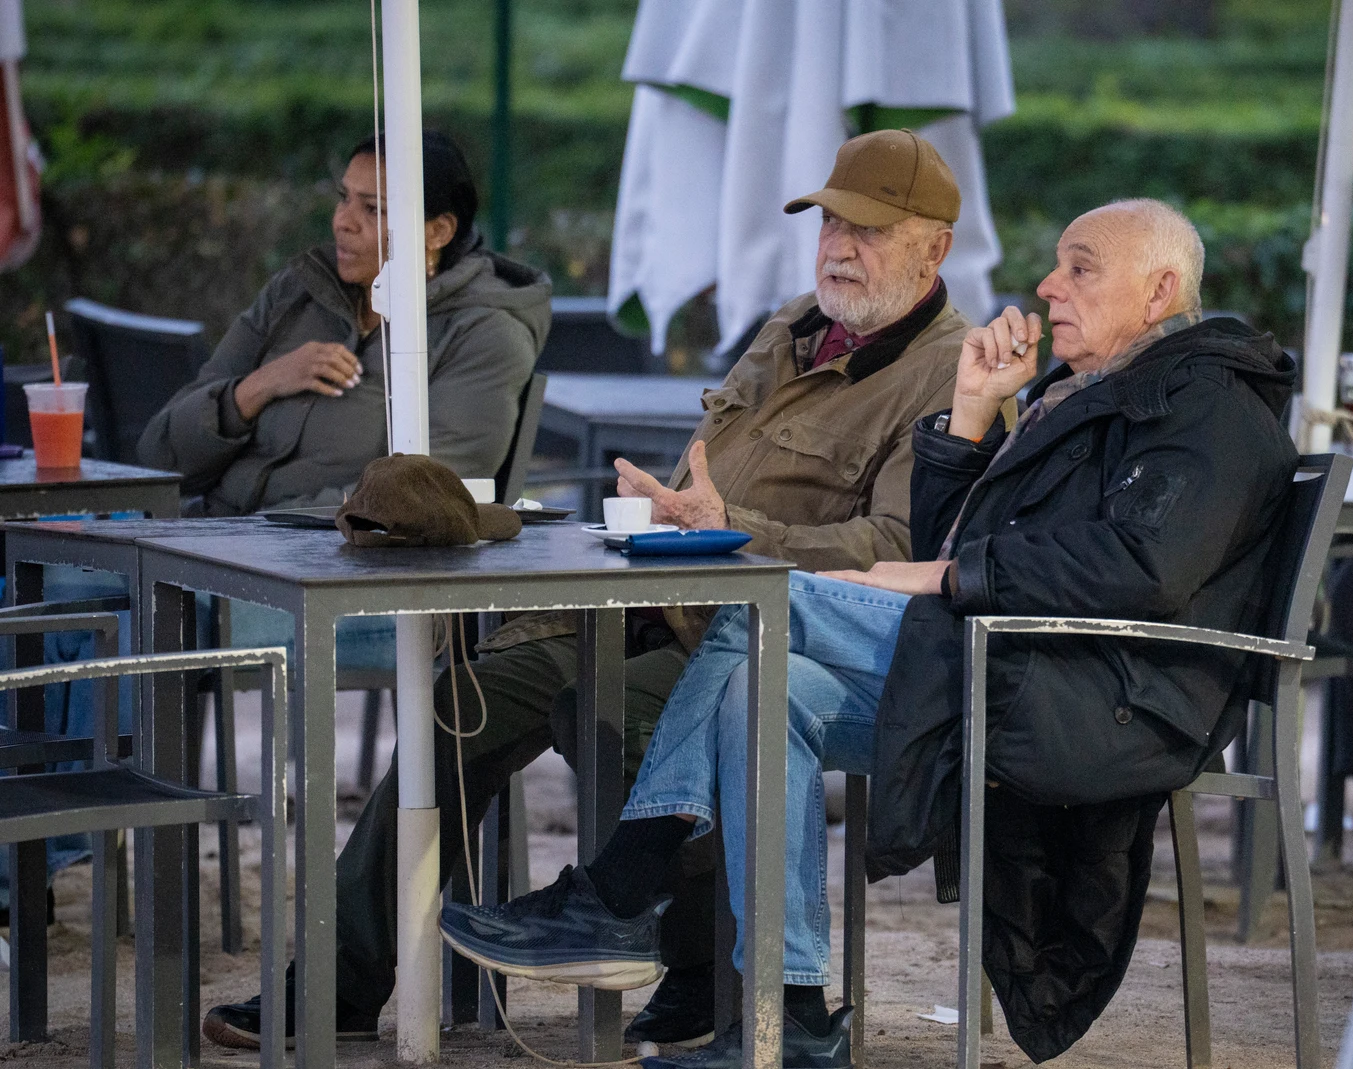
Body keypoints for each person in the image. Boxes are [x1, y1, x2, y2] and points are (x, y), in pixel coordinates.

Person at [437, 199, 1301, 1068]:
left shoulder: (1209, 402)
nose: (1047, 286)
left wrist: (948, 579)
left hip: (1103, 699)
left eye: (1080, 268)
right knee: (759, 689)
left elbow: (1142, 564)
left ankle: (619, 889)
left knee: (765, 603)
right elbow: (953, 540)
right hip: (1015, 664)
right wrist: (970, 416)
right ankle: (790, 1017)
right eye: (1056, 264)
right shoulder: (1076, 393)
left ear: (1158, 291)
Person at [201, 128, 973, 1051]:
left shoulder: (953, 373)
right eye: (831, 223)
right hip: (647, 595)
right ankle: (333, 984)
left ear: (935, 248)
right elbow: (703, 473)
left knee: (607, 713)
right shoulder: (793, 325)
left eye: (869, 230)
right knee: (458, 706)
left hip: (761, 634)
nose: (839, 247)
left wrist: (729, 529)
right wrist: (659, 514)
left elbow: (896, 552)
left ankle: (697, 964)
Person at [139, 130, 548, 513]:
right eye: (343, 198)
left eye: (373, 208)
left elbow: (419, 496)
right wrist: (260, 385)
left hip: (316, 556)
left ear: (438, 231)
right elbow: (159, 457)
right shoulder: (299, 292)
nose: (342, 221)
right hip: (205, 535)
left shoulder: (485, 335)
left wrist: (253, 533)